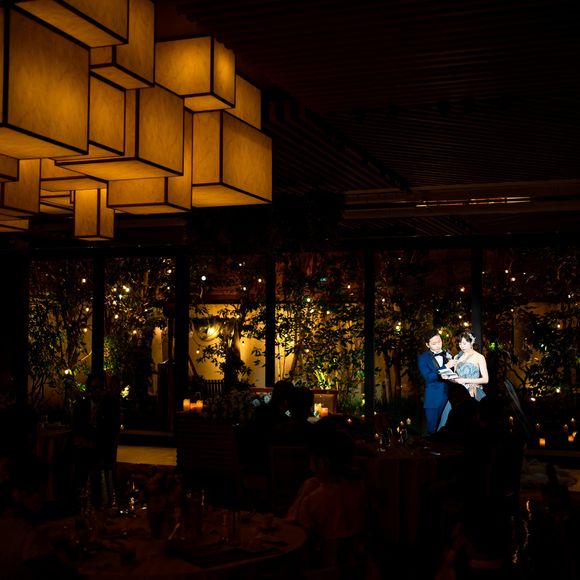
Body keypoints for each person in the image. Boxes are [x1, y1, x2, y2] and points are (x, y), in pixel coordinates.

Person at [71, 372, 121, 508]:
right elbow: (76, 428)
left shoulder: (111, 406)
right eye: (94, 388)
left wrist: (94, 443)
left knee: (92, 457)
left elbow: (111, 432)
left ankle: (98, 500)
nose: (98, 391)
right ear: (89, 390)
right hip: (84, 446)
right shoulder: (81, 406)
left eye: (100, 387)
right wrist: (84, 441)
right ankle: (77, 498)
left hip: (102, 447)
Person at [418, 329, 452, 434]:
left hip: (450, 397)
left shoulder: (447, 354)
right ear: (427, 345)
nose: (438, 345)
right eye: (434, 343)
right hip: (433, 398)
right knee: (432, 429)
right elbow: (428, 377)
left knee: (447, 428)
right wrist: (446, 367)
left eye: (439, 342)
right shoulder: (423, 358)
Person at [446, 330, 489, 401]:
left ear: (471, 342)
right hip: (459, 392)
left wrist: (465, 380)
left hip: (473, 391)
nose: (462, 346)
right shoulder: (457, 357)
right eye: (460, 344)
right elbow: (456, 378)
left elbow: (485, 379)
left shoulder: (479, 357)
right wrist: (448, 377)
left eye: (464, 343)